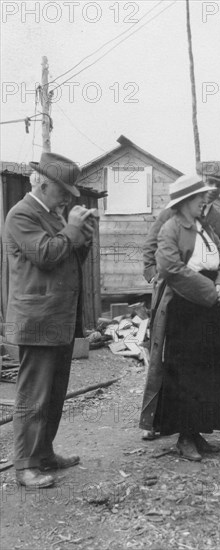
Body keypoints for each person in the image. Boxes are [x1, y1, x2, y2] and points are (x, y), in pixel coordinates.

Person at [4, 152, 97, 487]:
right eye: (62, 192)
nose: (66, 199)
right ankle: (25, 466)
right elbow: (45, 255)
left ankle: (44, 453)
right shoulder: (21, 215)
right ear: (43, 184)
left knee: (54, 392)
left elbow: (68, 256)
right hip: (37, 319)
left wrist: (82, 235)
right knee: (33, 395)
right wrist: (71, 230)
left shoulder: (54, 216)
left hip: (59, 318)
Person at [139, 174, 220, 461]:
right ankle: (184, 436)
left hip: (209, 310)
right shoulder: (171, 227)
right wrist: (209, 291)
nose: (204, 201)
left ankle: (198, 432)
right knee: (186, 371)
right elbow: (170, 267)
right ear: (183, 203)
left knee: (208, 369)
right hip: (184, 309)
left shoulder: (205, 229)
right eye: (198, 198)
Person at [143, 160, 220, 284]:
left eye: (219, 185)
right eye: (210, 182)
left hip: (206, 288)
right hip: (173, 285)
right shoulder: (173, 211)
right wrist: (152, 275)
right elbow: (151, 244)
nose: (214, 188)